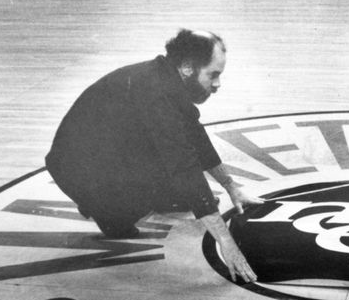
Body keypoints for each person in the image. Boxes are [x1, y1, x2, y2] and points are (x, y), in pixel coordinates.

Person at [45, 29, 261, 283]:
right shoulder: (156, 95)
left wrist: (231, 186)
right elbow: (184, 166)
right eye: (212, 74)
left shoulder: (166, 78)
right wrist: (225, 240)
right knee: (138, 206)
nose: (217, 84)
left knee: (174, 163)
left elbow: (194, 134)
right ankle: (107, 210)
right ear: (188, 68)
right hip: (79, 169)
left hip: (99, 152)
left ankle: (146, 197)